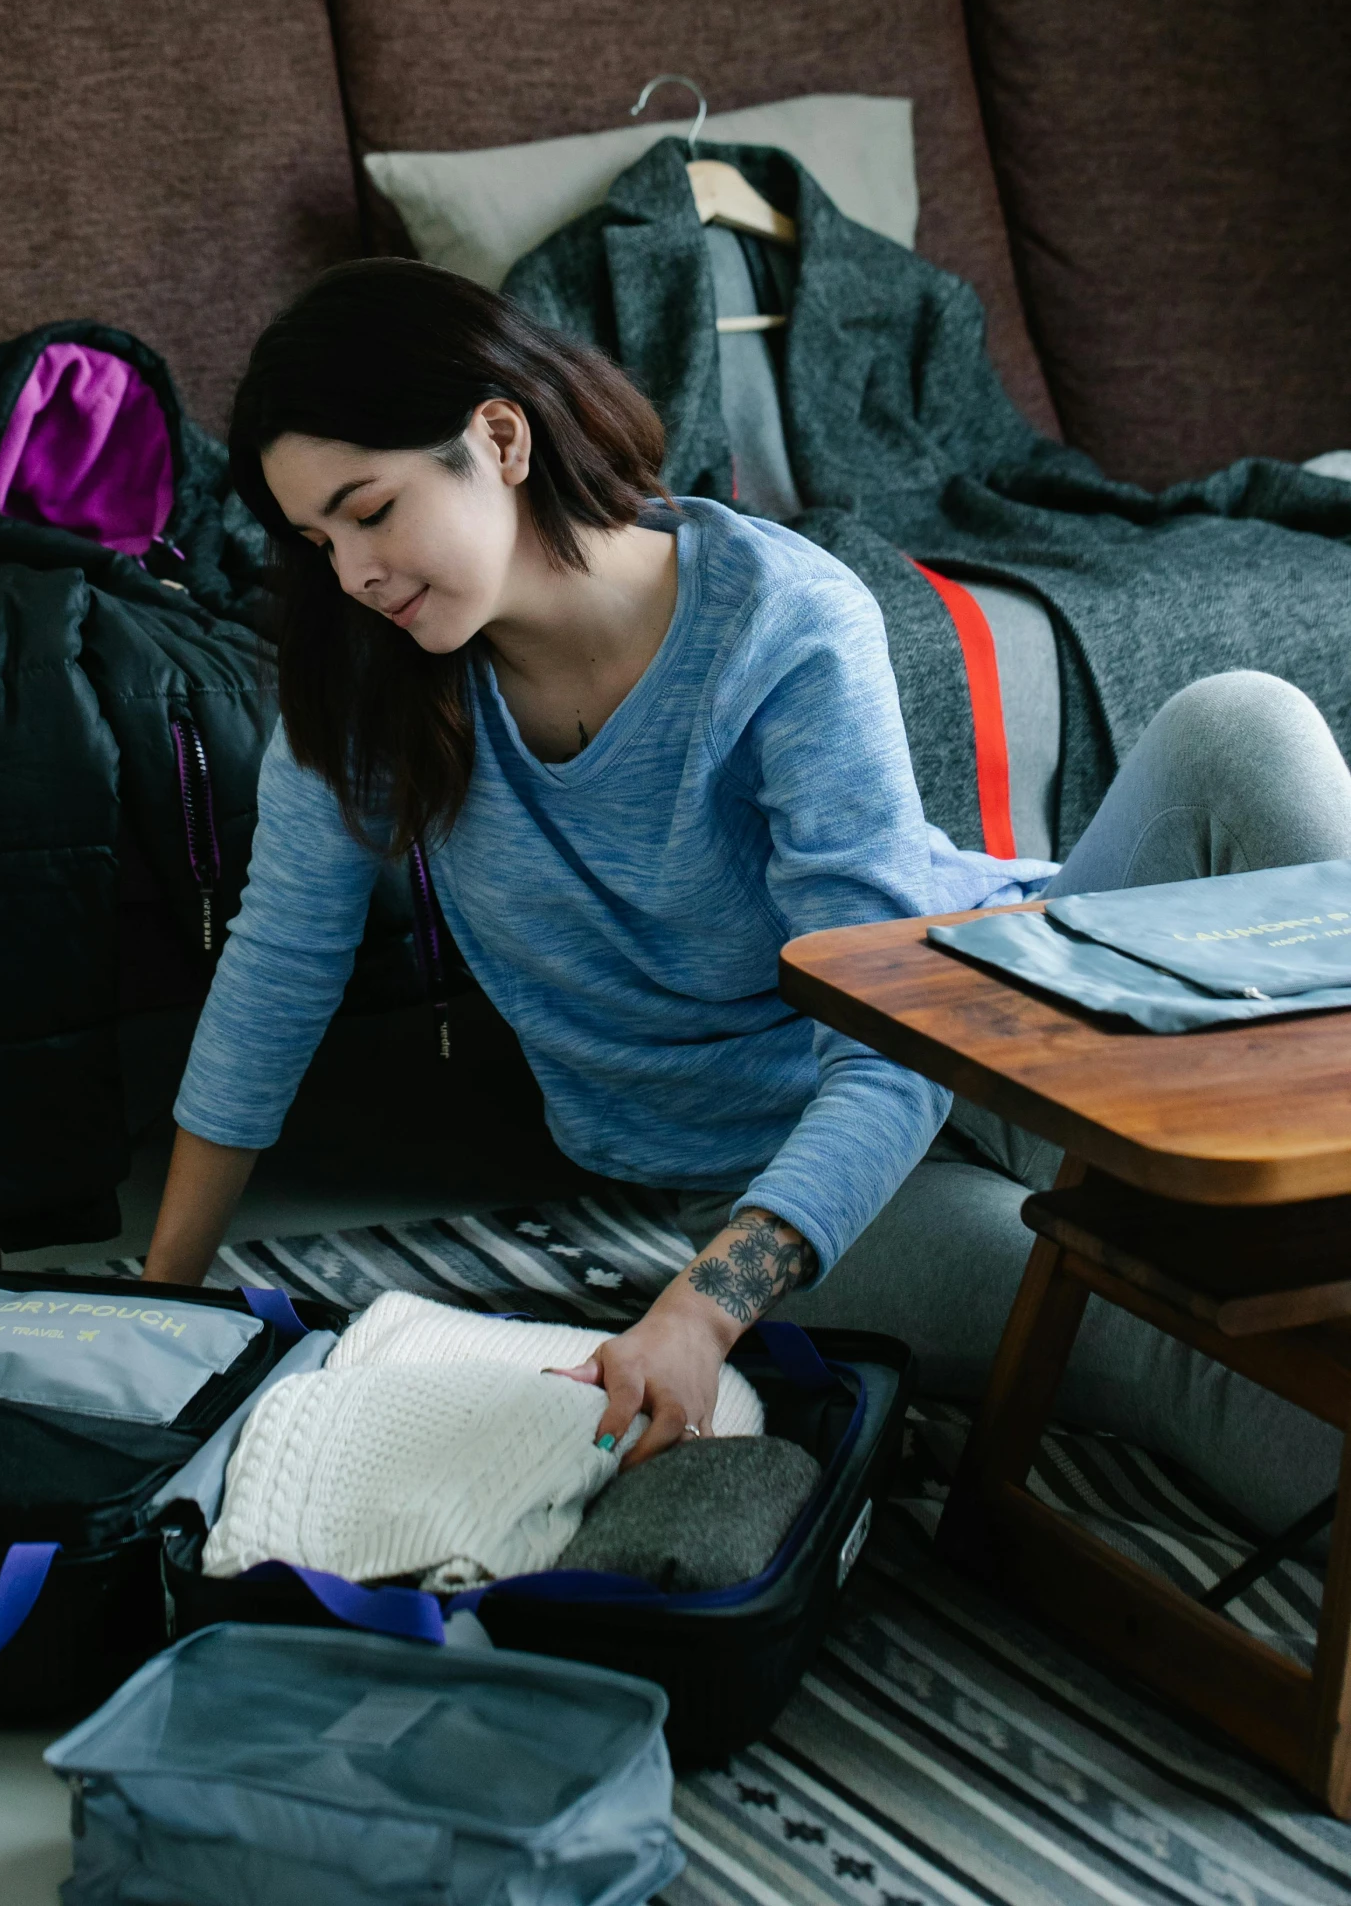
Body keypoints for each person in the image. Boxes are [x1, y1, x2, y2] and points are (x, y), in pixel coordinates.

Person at [143, 259, 1351, 1519]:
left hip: (996, 1006)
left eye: (369, 509)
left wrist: (692, 1316)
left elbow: (898, 1032)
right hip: (774, 1178)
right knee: (1152, 1328)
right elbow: (276, 969)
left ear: (495, 438)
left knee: (1240, 727)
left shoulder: (779, 621)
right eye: (316, 540)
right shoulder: (370, 692)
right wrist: (161, 1299)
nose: (350, 575)